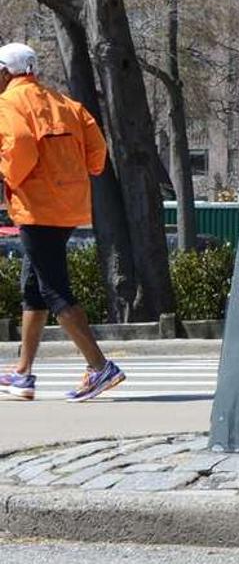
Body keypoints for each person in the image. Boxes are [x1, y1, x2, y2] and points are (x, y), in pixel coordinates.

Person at [0, 42, 125, 402]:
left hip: (37, 208)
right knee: (33, 288)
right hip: (68, 206)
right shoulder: (63, 102)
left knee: (53, 289)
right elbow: (97, 149)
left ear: (7, 73)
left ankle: (100, 367)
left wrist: (10, 177)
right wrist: (82, 172)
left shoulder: (9, 103)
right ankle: (23, 374)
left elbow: (21, 143)